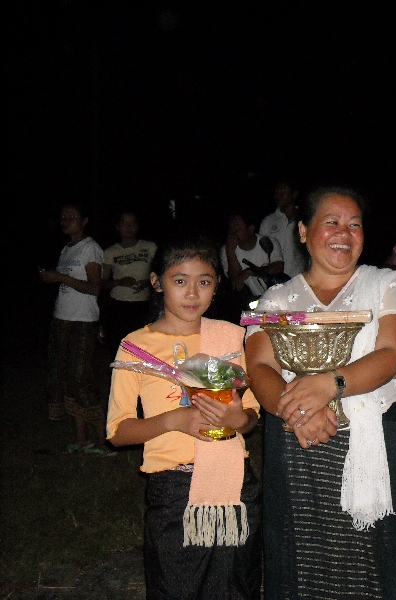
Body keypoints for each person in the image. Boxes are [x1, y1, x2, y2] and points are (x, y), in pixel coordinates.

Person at [245, 185, 396, 599]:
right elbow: (259, 366)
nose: (344, 233)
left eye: (355, 224)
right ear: (304, 232)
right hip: (298, 442)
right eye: (332, 222)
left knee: (373, 562)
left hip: (375, 445)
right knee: (299, 558)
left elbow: (395, 354)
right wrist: (295, 412)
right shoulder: (275, 299)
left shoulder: (388, 284)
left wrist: (329, 384)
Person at [106, 233, 262, 599]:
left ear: (216, 286)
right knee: (177, 587)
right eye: (180, 281)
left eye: (204, 282)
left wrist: (238, 421)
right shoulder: (136, 347)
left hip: (236, 484)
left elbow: (252, 414)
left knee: (236, 586)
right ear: (157, 283)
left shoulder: (230, 338)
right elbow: (117, 431)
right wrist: (174, 421)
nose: (193, 294)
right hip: (174, 491)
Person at [39, 201, 107, 453]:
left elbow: (94, 287)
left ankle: (103, 439)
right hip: (62, 318)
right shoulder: (66, 249)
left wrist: (58, 277)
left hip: (83, 321)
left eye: (71, 215)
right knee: (66, 378)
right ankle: (82, 438)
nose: (65, 219)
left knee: (81, 379)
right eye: (63, 216)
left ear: (84, 220)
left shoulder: (90, 248)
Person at [100, 209, 158, 354]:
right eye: (124, 223)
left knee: (143, 349)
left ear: (138, 226)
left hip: (143, 306)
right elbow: (102, 283)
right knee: (118, 348)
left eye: (132, 223)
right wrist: (119, 282)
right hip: (118, 307)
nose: (129, 227)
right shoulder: (110, 252)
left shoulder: (150, 247)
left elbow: (161, 275)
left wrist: (146, 283)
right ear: (118, 227)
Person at [220, 208, 287, 319]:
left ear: (250, 229)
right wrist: (230, 251)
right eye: (231, 228)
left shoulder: (267, 242)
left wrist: (249, 272)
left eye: (237, 227)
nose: (233, 232)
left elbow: (278, 266)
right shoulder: (226, 250)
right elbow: (235, 278)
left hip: (275, 297)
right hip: (249, 300)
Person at [258, 181, 307, 278]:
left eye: (282, 191)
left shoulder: (305, 219)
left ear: (294, 194)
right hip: (276, 280)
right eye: (276, 192)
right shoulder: (268, 222)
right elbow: (261, 252)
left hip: (301, 278)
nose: (277, 195)